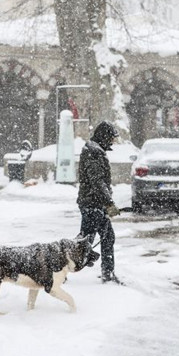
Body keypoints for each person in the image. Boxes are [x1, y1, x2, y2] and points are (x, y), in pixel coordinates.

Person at [77, 120, 122, 285]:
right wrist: (109, 203)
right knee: (86, 242)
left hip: (94, 203)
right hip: (93, 203)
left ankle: (108, 273)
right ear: (104, 136)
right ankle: (60, 267)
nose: (112, 141)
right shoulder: (94, 153)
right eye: (111, 138)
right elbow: (97, 182)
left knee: (98, 238)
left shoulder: (94, 150)